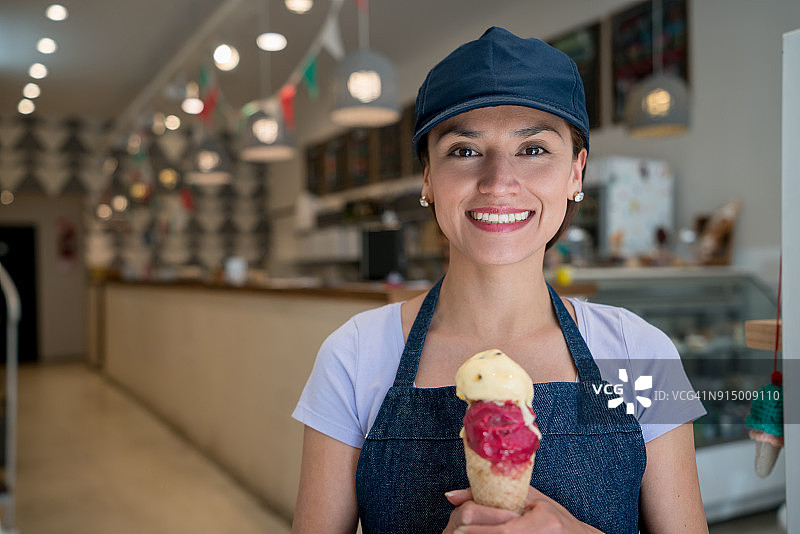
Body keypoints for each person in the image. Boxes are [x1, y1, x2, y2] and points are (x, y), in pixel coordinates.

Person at [292, 27, 708, 534]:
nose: (498, 183)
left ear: (576, 173)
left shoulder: (641, 351)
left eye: (533, 149)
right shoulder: (354, 355)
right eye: (465, 151)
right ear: (427, 177)